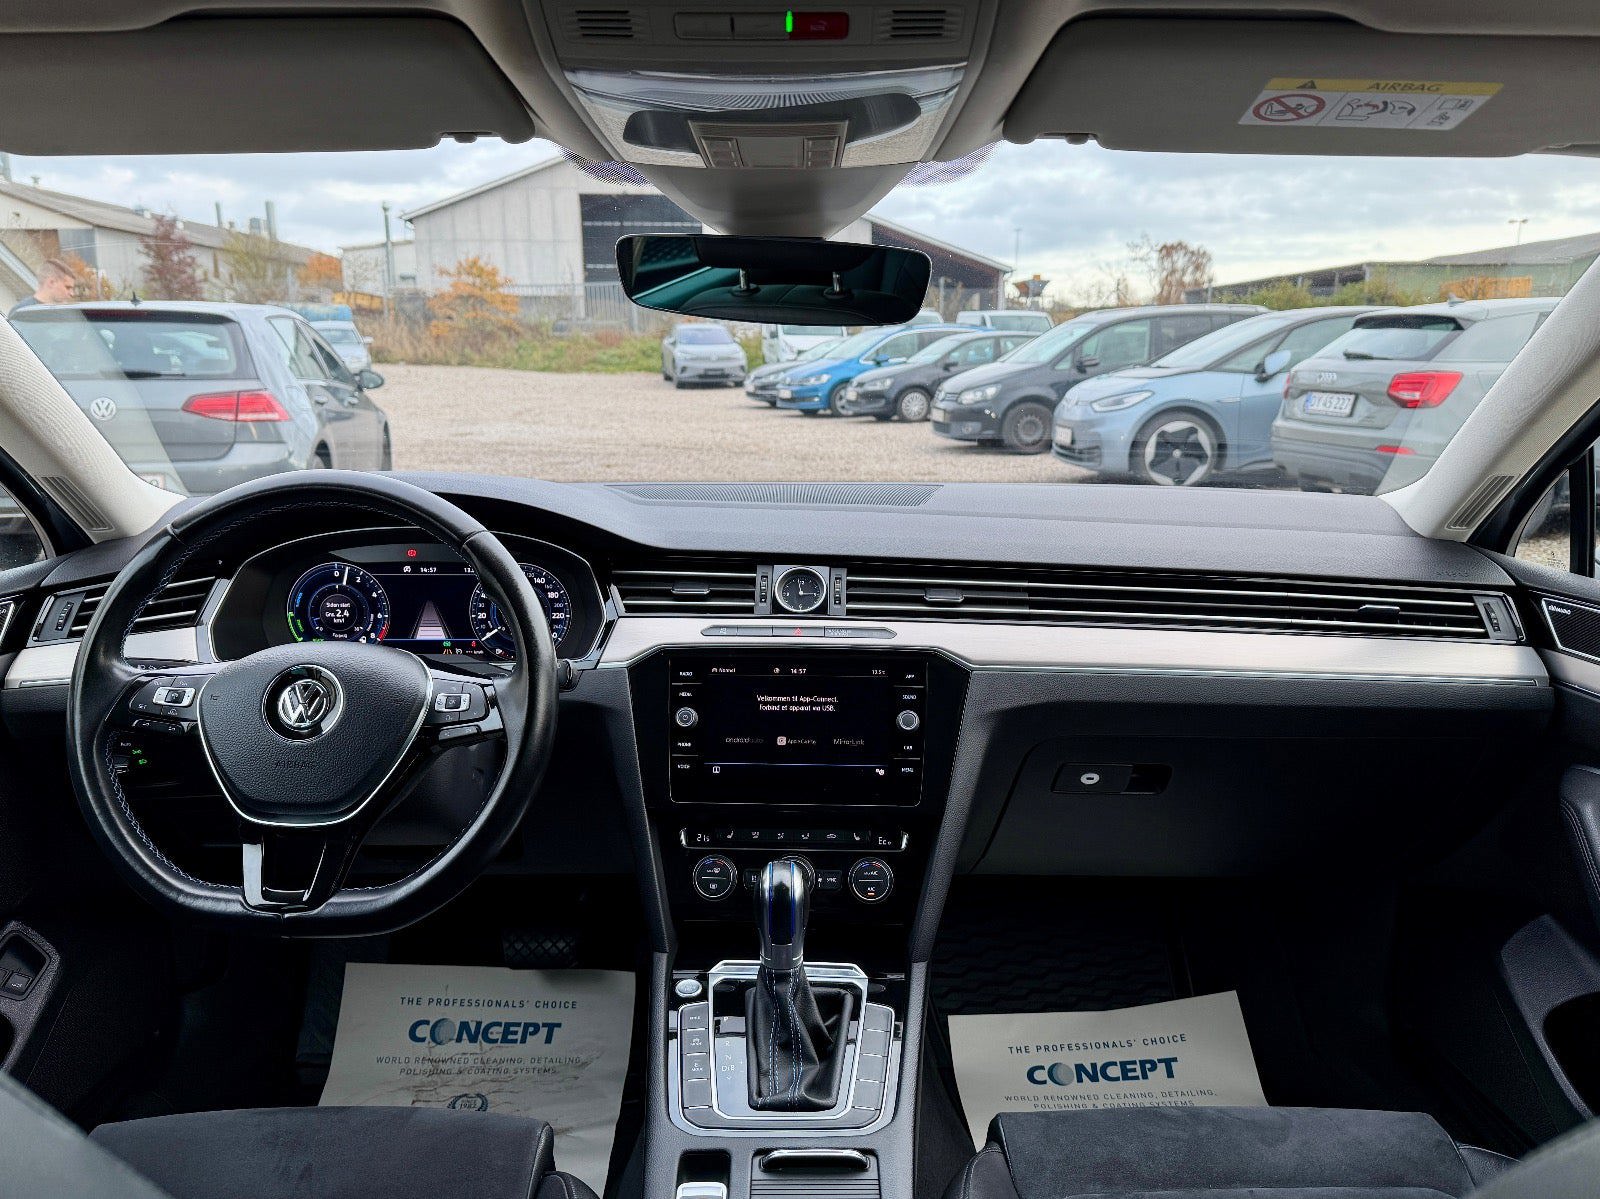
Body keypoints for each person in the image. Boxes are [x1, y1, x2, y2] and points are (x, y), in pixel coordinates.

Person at [9, 258, 76, 315]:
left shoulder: (68, 314)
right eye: (68, 287)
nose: (72, 293)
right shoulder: (21, 312)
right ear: (51, 282)